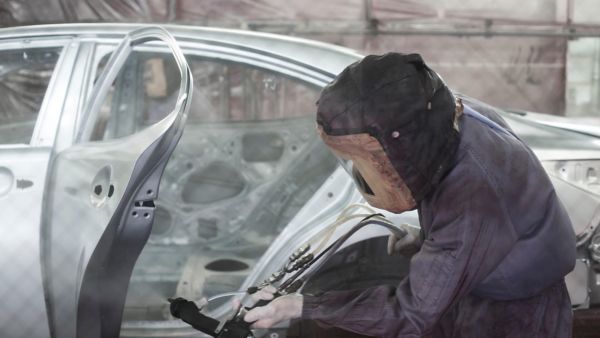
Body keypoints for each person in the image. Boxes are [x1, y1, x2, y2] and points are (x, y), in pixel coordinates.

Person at [243, 53, 576, 337]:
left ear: (404, 144)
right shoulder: (446, 117)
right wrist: (424, 239)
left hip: (517, 314)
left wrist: (303, 305)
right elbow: (488, 230)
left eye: (371, 158)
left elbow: (411, 313)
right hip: (484, 288)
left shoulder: (471, 190)